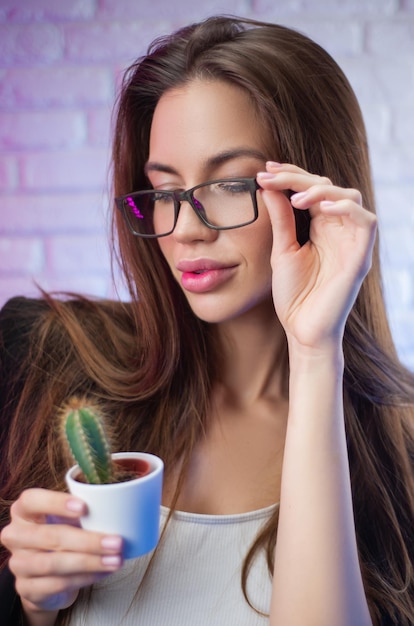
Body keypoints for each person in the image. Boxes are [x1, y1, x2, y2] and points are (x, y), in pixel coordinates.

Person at [0, 14, 413, 626]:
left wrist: (316, 349)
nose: (186, 228)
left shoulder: (401, 447)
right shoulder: (40, 355)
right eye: (164, 190)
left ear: (316, 195)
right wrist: (30, 603)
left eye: (228, 185)